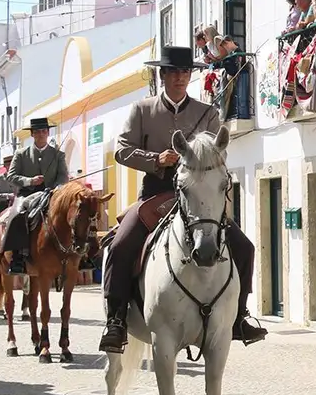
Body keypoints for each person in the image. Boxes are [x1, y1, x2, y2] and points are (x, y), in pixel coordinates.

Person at [97, 46, 269, 354]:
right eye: (174, 72)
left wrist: (198, 159)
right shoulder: (141, 110)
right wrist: (155, 159)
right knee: (122, 244)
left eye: (185, 72)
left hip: (198, 198)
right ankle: (116, 320)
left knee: (244, 247)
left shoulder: (207, 113)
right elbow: (122, 149)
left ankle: (239, 317)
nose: (180, 78)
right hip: (156, 193)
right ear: (162, 75)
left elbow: (220, 153)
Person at [0, 118, 70, 274]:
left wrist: (57, 188)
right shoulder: (20, 154)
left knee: (72, 214)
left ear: (48, 132)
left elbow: (63, 175)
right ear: (32, 134)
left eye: (44, 131)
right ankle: (17, 256)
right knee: (16, 216)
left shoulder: (58, 154)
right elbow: (11, 176)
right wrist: (29, 180)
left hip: (51, 193)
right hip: (26, 194)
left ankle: (79, 255)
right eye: (37, 132)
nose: (41, 134)